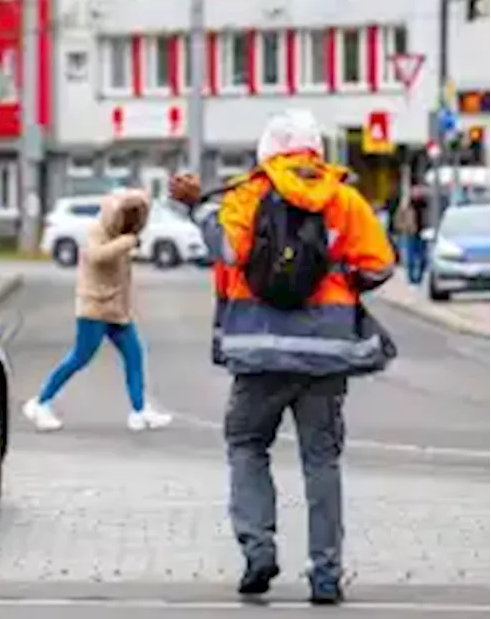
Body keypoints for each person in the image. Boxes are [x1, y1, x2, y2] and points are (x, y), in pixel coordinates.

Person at [168, 109, 396, 605]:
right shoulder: (344, 199)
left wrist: (197, 208)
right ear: (316, 150)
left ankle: (258, 551)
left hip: (257, 350)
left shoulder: (246, 195)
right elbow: (380, 265)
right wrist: (338, 284)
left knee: (248, 445)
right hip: (327, 355)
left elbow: (226, 251)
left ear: (267, 151)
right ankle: (327, 574)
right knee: (321, 459)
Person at [22, 188, 173, 433]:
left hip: (117, 310)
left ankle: (139, 410)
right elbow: (97, 257)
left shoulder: (124, 235)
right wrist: (127, 242)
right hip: (94, 307)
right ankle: (40, 403)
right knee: (80, 357)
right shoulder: (97, 231)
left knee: (134, 354)